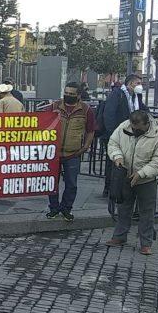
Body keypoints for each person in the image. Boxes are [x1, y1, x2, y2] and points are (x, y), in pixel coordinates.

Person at [105, 110, 158, 255]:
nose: (135, 131)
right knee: (123, 208)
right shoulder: (124, 126)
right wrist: (117, 157)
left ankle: (146, 243)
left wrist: (141, 173)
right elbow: (113, 143)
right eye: (133, 128)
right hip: (125, 174)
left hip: (146, 180)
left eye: (139, 129)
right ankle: (119, 237)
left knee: (146, 212)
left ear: (147, 124)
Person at [46, 82, 96, 222]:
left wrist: (85, 146)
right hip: (54, 153)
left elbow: (91, 130)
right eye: (66, 92)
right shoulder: (55, 106)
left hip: (73, 153)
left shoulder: (86, 110)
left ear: (78, 95)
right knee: (52, 183)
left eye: (71, 94)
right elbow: (43, 123)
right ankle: (54, 208)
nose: (68, 95)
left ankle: (66, 209)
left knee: (71, 184)